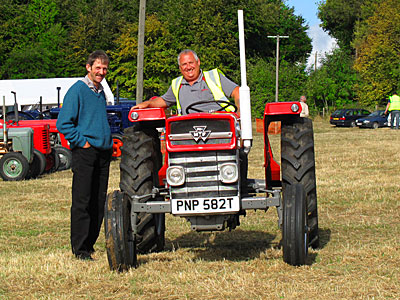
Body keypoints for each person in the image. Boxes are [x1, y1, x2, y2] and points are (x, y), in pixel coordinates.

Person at [56, 50, 113, 260]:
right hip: (86, 153)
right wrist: (84, 143)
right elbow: (63, 123)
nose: (101, 72)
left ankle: (89, 245)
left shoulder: (100, 92)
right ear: (88, 67)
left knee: (98, 201)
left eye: (105, 68)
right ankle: (79, 249)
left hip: (103, 152)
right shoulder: (78, 90)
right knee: (82, 201)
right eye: (98, 67)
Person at [133, 49, 240, 115]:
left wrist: (240, 113)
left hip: (219, 125)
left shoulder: (214, 77)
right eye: (184, 64)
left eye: (191, 63)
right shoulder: (177, 84)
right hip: (188, 127)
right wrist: (147, 103)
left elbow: (237, 92)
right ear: (180, 67)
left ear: (198, 62)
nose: (188, 67)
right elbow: (163, 101)